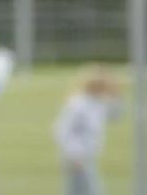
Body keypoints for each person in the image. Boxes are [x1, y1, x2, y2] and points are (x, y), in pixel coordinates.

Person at [53, 65, 123, 195]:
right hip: (76, 157)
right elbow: (63, 130)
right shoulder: (78, 104)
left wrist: (116, 95)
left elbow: (115, 116)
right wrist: (75, 155)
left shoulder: (99, 102)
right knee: (92, 190)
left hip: (88, 156)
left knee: (76, 191)